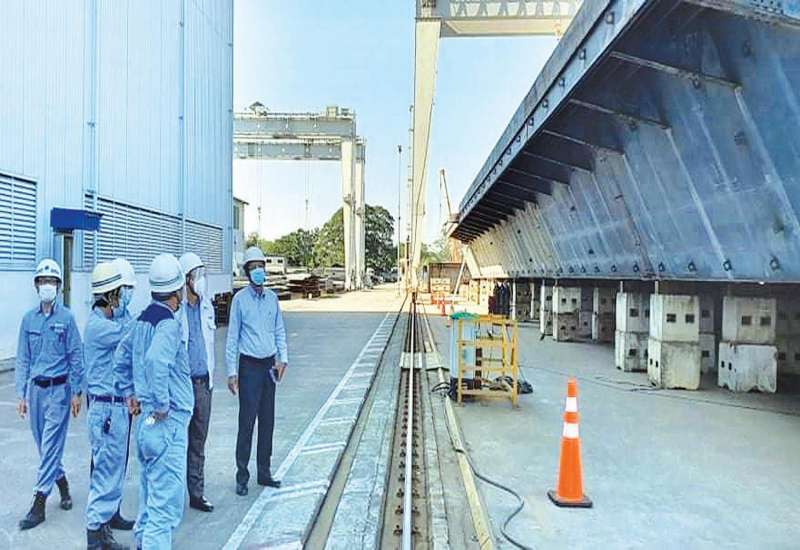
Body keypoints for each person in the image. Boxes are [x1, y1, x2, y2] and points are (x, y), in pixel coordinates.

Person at [114, 253, 193, 548]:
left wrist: (129, 393)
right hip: (165, 423)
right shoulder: (168, 324)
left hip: (146, 423)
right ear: (177, 289)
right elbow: (156, 361)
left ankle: (141, 543)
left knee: (149, 498)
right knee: (164, 510)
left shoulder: (142, 320)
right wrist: (161, 404)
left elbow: (121, 357)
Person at [15, 258, 84, 530]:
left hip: (59, 391)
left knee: (52, 443)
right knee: (45, 446)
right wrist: (21, 395)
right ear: (36, 285)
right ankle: (62, 483)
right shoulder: (28, 319)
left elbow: (76, 355)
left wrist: (76, 392)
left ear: (58, 286)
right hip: (36, 391)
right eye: (43, 281)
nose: (47, 285)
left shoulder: (66, 318)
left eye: (51, 281)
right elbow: (23, 358)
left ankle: (39, 502)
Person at [225, 246, 288, 496]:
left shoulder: (272, 299)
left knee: (267, 421)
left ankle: (264, 472)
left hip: (269, 366)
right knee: (247, 422)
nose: (259, 271)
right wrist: (232, 372)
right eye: (253, 268)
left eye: (261, 266)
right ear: (247, 272)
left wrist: (283, 359)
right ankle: (242, 475)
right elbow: (232, 338)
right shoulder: (240, 300)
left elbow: (279, 330)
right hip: (249, 367)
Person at [83, 262, 131, 550]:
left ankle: (102, 532)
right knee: (104, 475)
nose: (123, 298)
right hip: (106, 411)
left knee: (112, 473)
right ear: (110, 295)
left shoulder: (106, 323)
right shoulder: (99, 327)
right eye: (120, 293)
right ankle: (95, 536)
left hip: (113, 409)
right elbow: (130, 332)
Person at [178, 252, 216, 512]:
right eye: (197, 275)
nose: (201, 279)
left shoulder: (207, 306)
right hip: (182, 386)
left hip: (203, 384)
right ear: (186, 279)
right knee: (177, 442)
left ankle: (196, 494)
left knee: (198, 442)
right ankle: (172, 496)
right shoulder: (176, 311)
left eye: (203, 273)